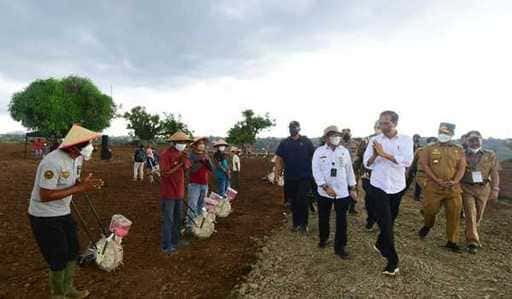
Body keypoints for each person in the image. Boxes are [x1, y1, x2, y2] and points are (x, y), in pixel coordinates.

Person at [28, 125, 104, 299]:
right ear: (75, 146)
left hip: (63, 211)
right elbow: (45, 195)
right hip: (44, 215)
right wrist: (80, 188)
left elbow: (72, 181)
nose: (92, 146)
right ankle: (58, 294)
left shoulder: (77, 158)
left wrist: (82, 183)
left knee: (73, 250)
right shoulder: (52, 162)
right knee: (58, 255)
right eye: (89, 143)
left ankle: (68, 287)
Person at [363, 111, 413, 276]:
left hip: (397, 186)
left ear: (395, 123)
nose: (383, 126)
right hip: (379, 185)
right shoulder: (374, 140)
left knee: (390, 221)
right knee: (385, 222)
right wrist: (375, 156)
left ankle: (379, 242)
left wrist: (385, 154)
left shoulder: (406, 140)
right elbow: (367, 163)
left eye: (387, 123)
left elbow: (407, 161)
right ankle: (393, 261)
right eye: (381, 123)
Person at [418, 123, 466, 253]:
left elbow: (462, 167)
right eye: (441, 132)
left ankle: (452, 241)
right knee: (430, 211)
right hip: (433, 188)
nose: (443, 135)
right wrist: (436, 180)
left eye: (446, 133)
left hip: (453, 189)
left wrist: (455, 181)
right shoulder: (428, 149)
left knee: (454, 215)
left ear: (451, 135)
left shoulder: (458, 150)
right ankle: (427, 225)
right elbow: (425, 165)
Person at [313, 126, 358, 259]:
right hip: (324, 192)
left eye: (337, 135)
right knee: (323, 217)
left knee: (341, 220)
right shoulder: (319, 152)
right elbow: (316, 171)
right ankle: (324, 238)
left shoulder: (344, 151)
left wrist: (353, 188)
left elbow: (349, 170)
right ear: (326, 137)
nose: (335, 137)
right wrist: (325, 187)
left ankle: (340, 247)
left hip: (342, 192)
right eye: (332, 135)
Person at [461, 131, 500, 254]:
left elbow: (494, 172)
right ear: (467, 141)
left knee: (478, 215)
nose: (474, 142)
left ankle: (470, 231)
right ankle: (472, 242)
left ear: (481, 140)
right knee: (470, 212)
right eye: (471, 140)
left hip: (484, 188)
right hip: (467, 188)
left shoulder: (490, 154)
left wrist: (495, 189)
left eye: (477, 139)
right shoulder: (461, 154)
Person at [274, 121, 315, 234]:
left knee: (302, 200)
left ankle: (304, 224)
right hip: (290, 177)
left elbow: (314, 157)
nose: (292, 129)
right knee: (293, 202)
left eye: (294, 127)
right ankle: (296, 224)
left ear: (299, 129)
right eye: (290, 127)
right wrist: (277, 173)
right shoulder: (284, 143)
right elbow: (279, 159)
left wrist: (315, 172)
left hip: (304, 177)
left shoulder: (306, 142)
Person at [159, 131, 192, 254]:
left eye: (184, 142)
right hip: (168, 193)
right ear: (174, 143)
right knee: (169, 220)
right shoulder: (165, 155)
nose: (183, 144)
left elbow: (187, 167)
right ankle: (166, 246)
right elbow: (165, 173)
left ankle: (176, 241)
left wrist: (183, 161)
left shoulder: (182, 154)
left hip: (179, 191)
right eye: (180, 142)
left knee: (178, 218)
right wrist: (179, 163)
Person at [187, 137, 214, 233]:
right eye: (200, 143)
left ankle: (198, 225)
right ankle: (190, 227)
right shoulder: (191, 156)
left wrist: (206, 160)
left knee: (201, 205)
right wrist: (201, 160)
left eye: (203, 143)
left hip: (204, 184)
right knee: (192, 205)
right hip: (194, 184)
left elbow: (211, 168)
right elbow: (192, 169)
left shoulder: (205, 155)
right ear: (195, 145)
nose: (202, 145)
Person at [358, 121, 381, 231]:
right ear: (374, 128)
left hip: (384, 175)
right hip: (368, 174)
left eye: (381, 126)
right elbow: (360, 156)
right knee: (370, 197)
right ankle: (371, 219)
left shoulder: (392, 141)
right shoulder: (366, 140)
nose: (380, 129)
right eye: (377, 127)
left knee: (381, 199)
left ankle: (380, 219)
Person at [407, 137, 438, 201]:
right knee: (419, 184)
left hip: (433, 173)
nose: (432, 143)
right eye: (431, 141)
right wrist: (410, 170)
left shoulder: (438, 152)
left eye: (434, 142)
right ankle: (416, 196)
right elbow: (414, 161)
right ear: (427, 142)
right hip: (421, 171)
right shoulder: (420, 150)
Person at [340, 128, 361, 215]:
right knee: (342, 188)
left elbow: (360, 156)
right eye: (344, 133)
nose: (346, 134)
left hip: (354, 169)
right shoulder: (338, 144)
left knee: (354, 188)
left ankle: (352, 207)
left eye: (347, 132)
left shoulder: (356, 143)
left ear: (350, 133)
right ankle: (343, 206)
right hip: (341, 170)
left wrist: (359, 166)